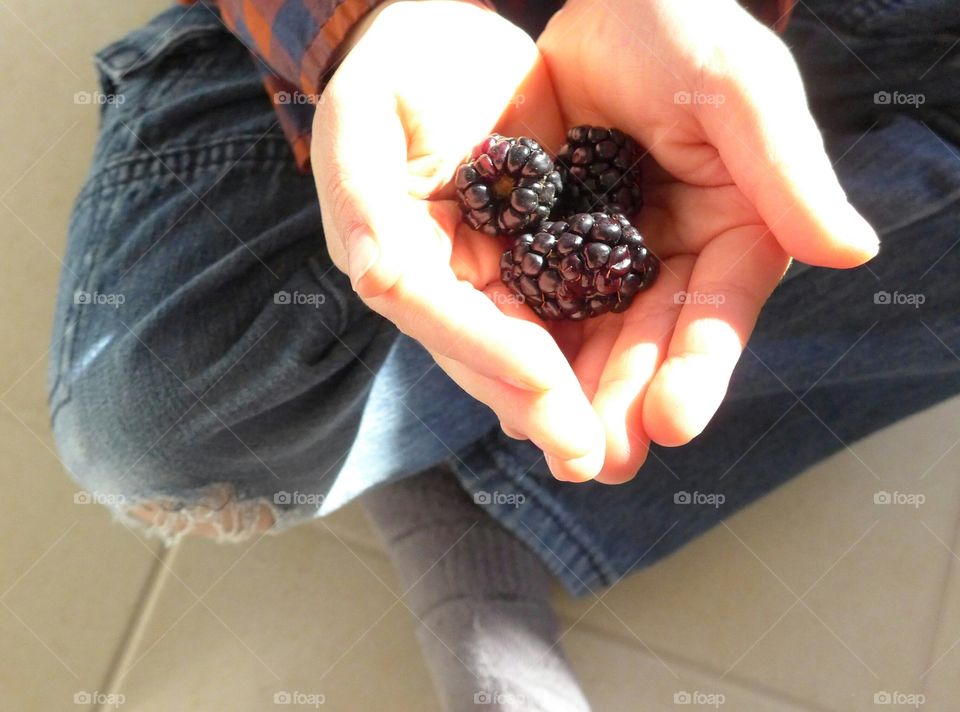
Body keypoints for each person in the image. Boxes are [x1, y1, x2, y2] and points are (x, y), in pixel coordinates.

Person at [49, 0, 960, 709]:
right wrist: (374, 21)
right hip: (445, 39)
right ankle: (467, 450)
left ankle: (451, 456)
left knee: (737, 300)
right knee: (153, 419)